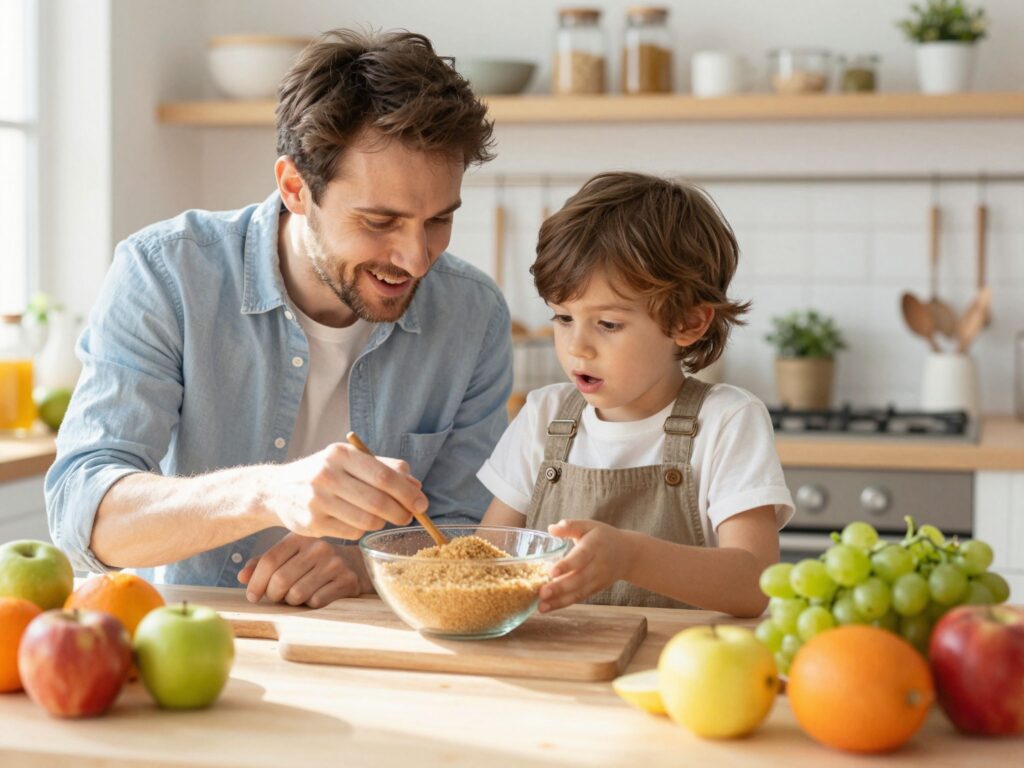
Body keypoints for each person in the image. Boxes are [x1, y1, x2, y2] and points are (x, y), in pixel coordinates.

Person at [45, 29, 512, 609]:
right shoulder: (166, 275)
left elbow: (466, 526)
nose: (417, 258)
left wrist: (363, 562)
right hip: (197, 638)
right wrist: (269, 491)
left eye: (439, 220)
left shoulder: (475, 315)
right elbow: (83, 514)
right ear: (296, 187)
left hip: (385, 649)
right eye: (380, 221)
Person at [479, 172, 794, 617]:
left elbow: (754, 583)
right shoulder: (543, 415)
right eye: (563, 318)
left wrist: (630, 557)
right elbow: (488, 563)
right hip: (561, 667)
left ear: (687, 324)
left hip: (682, 676)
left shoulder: (727, 421)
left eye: (607, 324)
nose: (577, 347)